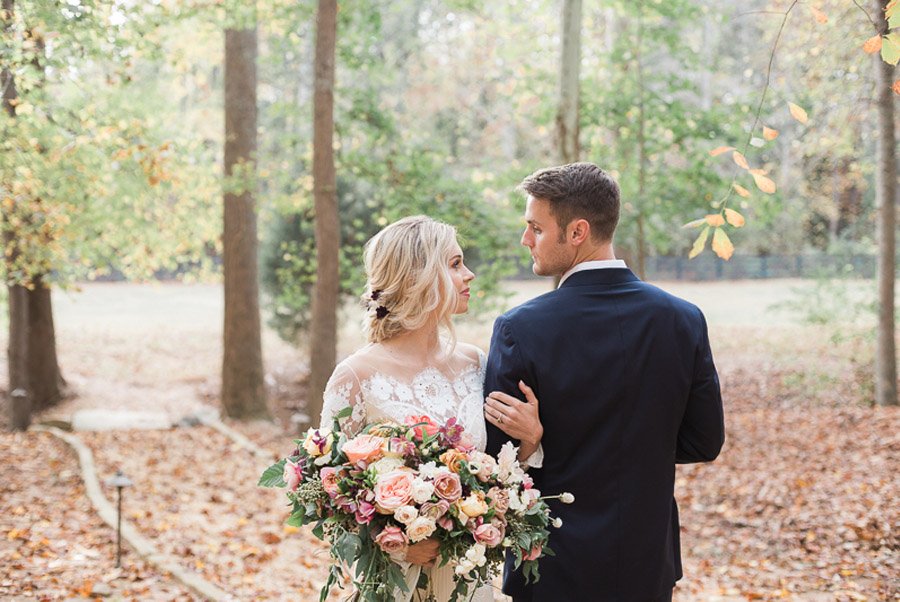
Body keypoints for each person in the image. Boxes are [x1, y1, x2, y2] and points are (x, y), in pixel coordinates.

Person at [483, 162, 725, 601]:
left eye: (535, 228)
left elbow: (491, 460)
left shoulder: (521, 328)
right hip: (646, 561)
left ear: (577, 232)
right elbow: (704, 442)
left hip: (550, 564)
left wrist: (538, 442)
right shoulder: (683, 319)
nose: (525, 239)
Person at [319, 215, 543, 602]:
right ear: (417, 277)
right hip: (393, 584)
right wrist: (394, 544)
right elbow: (327, 497)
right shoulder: (356, 375)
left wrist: (530, 439)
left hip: (468, 579)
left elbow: (500, 477)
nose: (469, 274)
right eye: (455, 264)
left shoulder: (476, 364)